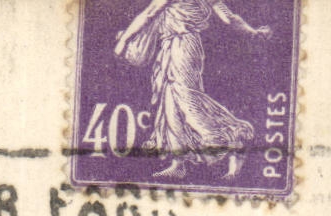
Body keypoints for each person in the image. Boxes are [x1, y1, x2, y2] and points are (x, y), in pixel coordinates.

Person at [113, 0, 271, 179]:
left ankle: (235, 137)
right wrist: (253, 32)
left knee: (186, 99)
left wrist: (124, 40)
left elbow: (150, 12)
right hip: (175, 46)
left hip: (182, 47)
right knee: (170, 101)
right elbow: (229, 18)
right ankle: (178, 163)